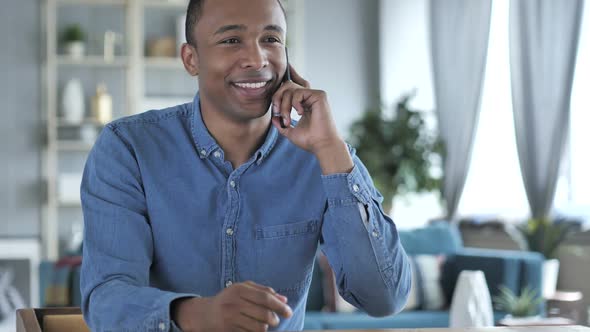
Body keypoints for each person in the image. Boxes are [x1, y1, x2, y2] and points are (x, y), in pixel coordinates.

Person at [79, 0, 411, 330]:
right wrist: (198, 315)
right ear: (191, 59)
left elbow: (384, 298)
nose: (256, 59)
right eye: (231, 40)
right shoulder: (128, 148)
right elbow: (106, 301)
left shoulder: (321, 157)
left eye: (271, 39)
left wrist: (330, 150)